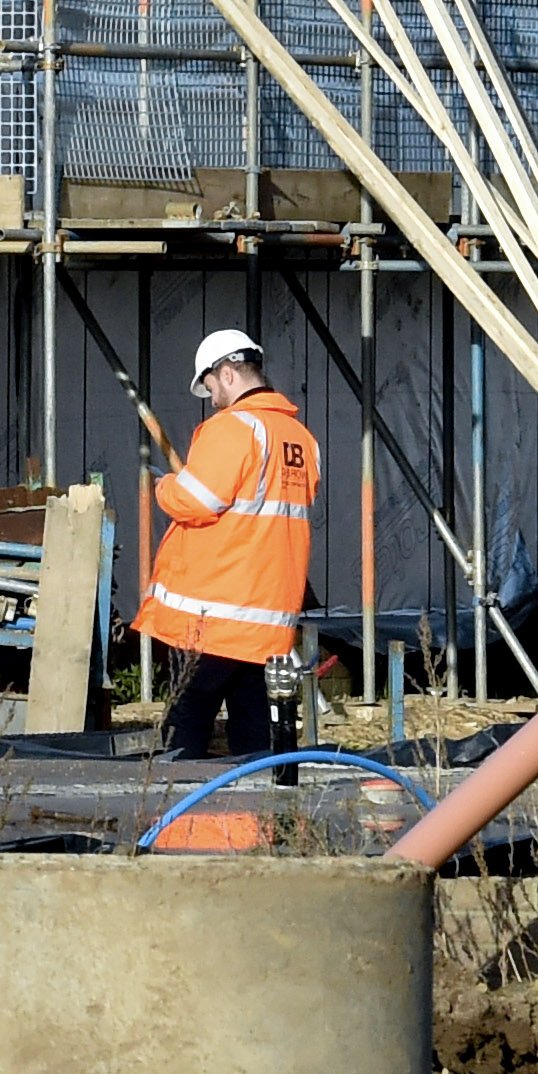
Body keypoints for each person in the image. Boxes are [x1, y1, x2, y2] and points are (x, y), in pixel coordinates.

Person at [135, 327, 319, 763]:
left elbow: (197, 501)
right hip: (266, 628)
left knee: (184, 736)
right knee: (256, 744)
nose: (212, 397)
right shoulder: (300, 440)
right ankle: (260, 825)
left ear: (228, 373)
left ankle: (180, 827)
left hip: (214, 621)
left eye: (212, 386)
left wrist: (165, 487)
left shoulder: (233, 428)